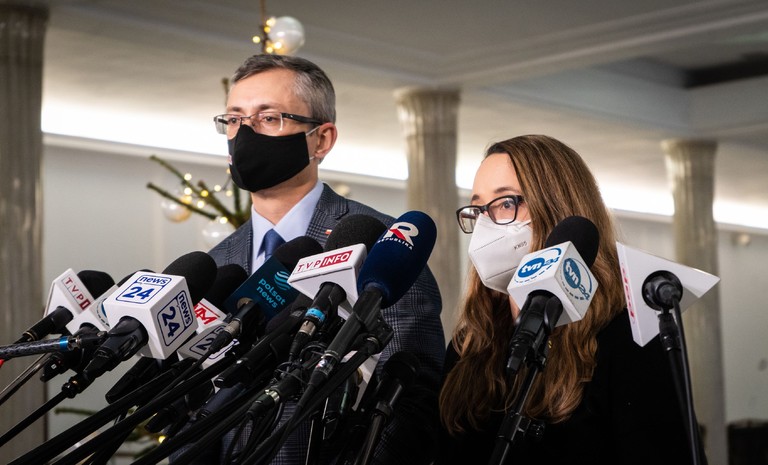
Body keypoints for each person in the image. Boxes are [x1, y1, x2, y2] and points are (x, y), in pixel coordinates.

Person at [202, 54, 445, 464]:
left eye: (269, 118)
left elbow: (410, 400)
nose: (244, 133)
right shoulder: (217, 262)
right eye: (234, 119)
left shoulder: (385, 246)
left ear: (322, 140)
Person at [437, 135, 698, 465]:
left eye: (505, 204)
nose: (486, 226)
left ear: (558, 211)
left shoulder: (626, 337)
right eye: (478, 210)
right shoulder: (469, 343)